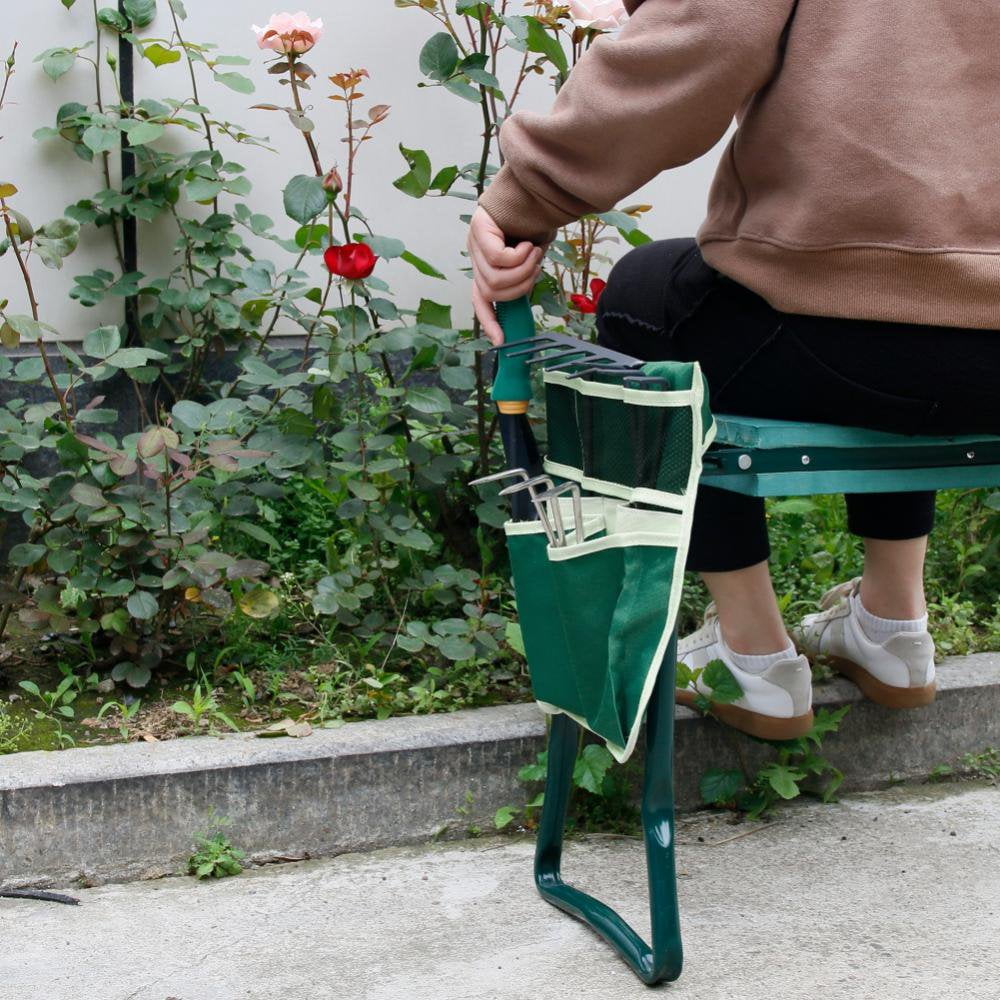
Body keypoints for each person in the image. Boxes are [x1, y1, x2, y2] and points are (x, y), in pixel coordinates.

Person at [467, 0, 1000, 739]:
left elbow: (702, 35)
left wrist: (523, 200)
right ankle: (891, 624)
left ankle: (752, 656)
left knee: (646, 299)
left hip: (854, 337)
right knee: (917, 279)